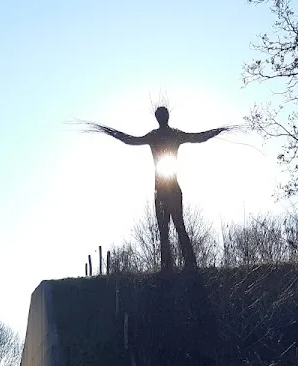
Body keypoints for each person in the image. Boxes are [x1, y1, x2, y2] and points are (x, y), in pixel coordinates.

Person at [91, 107, 227, 271]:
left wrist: (111, 132)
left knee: (169, 228)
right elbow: (199, 138)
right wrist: (218, 131)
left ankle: (171, 266)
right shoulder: (172, 135)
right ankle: (182, 264)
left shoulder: (156, 136)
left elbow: (130, 140)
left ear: (159, 118)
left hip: (163, 189)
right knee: (174, 226)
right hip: (169, 188)